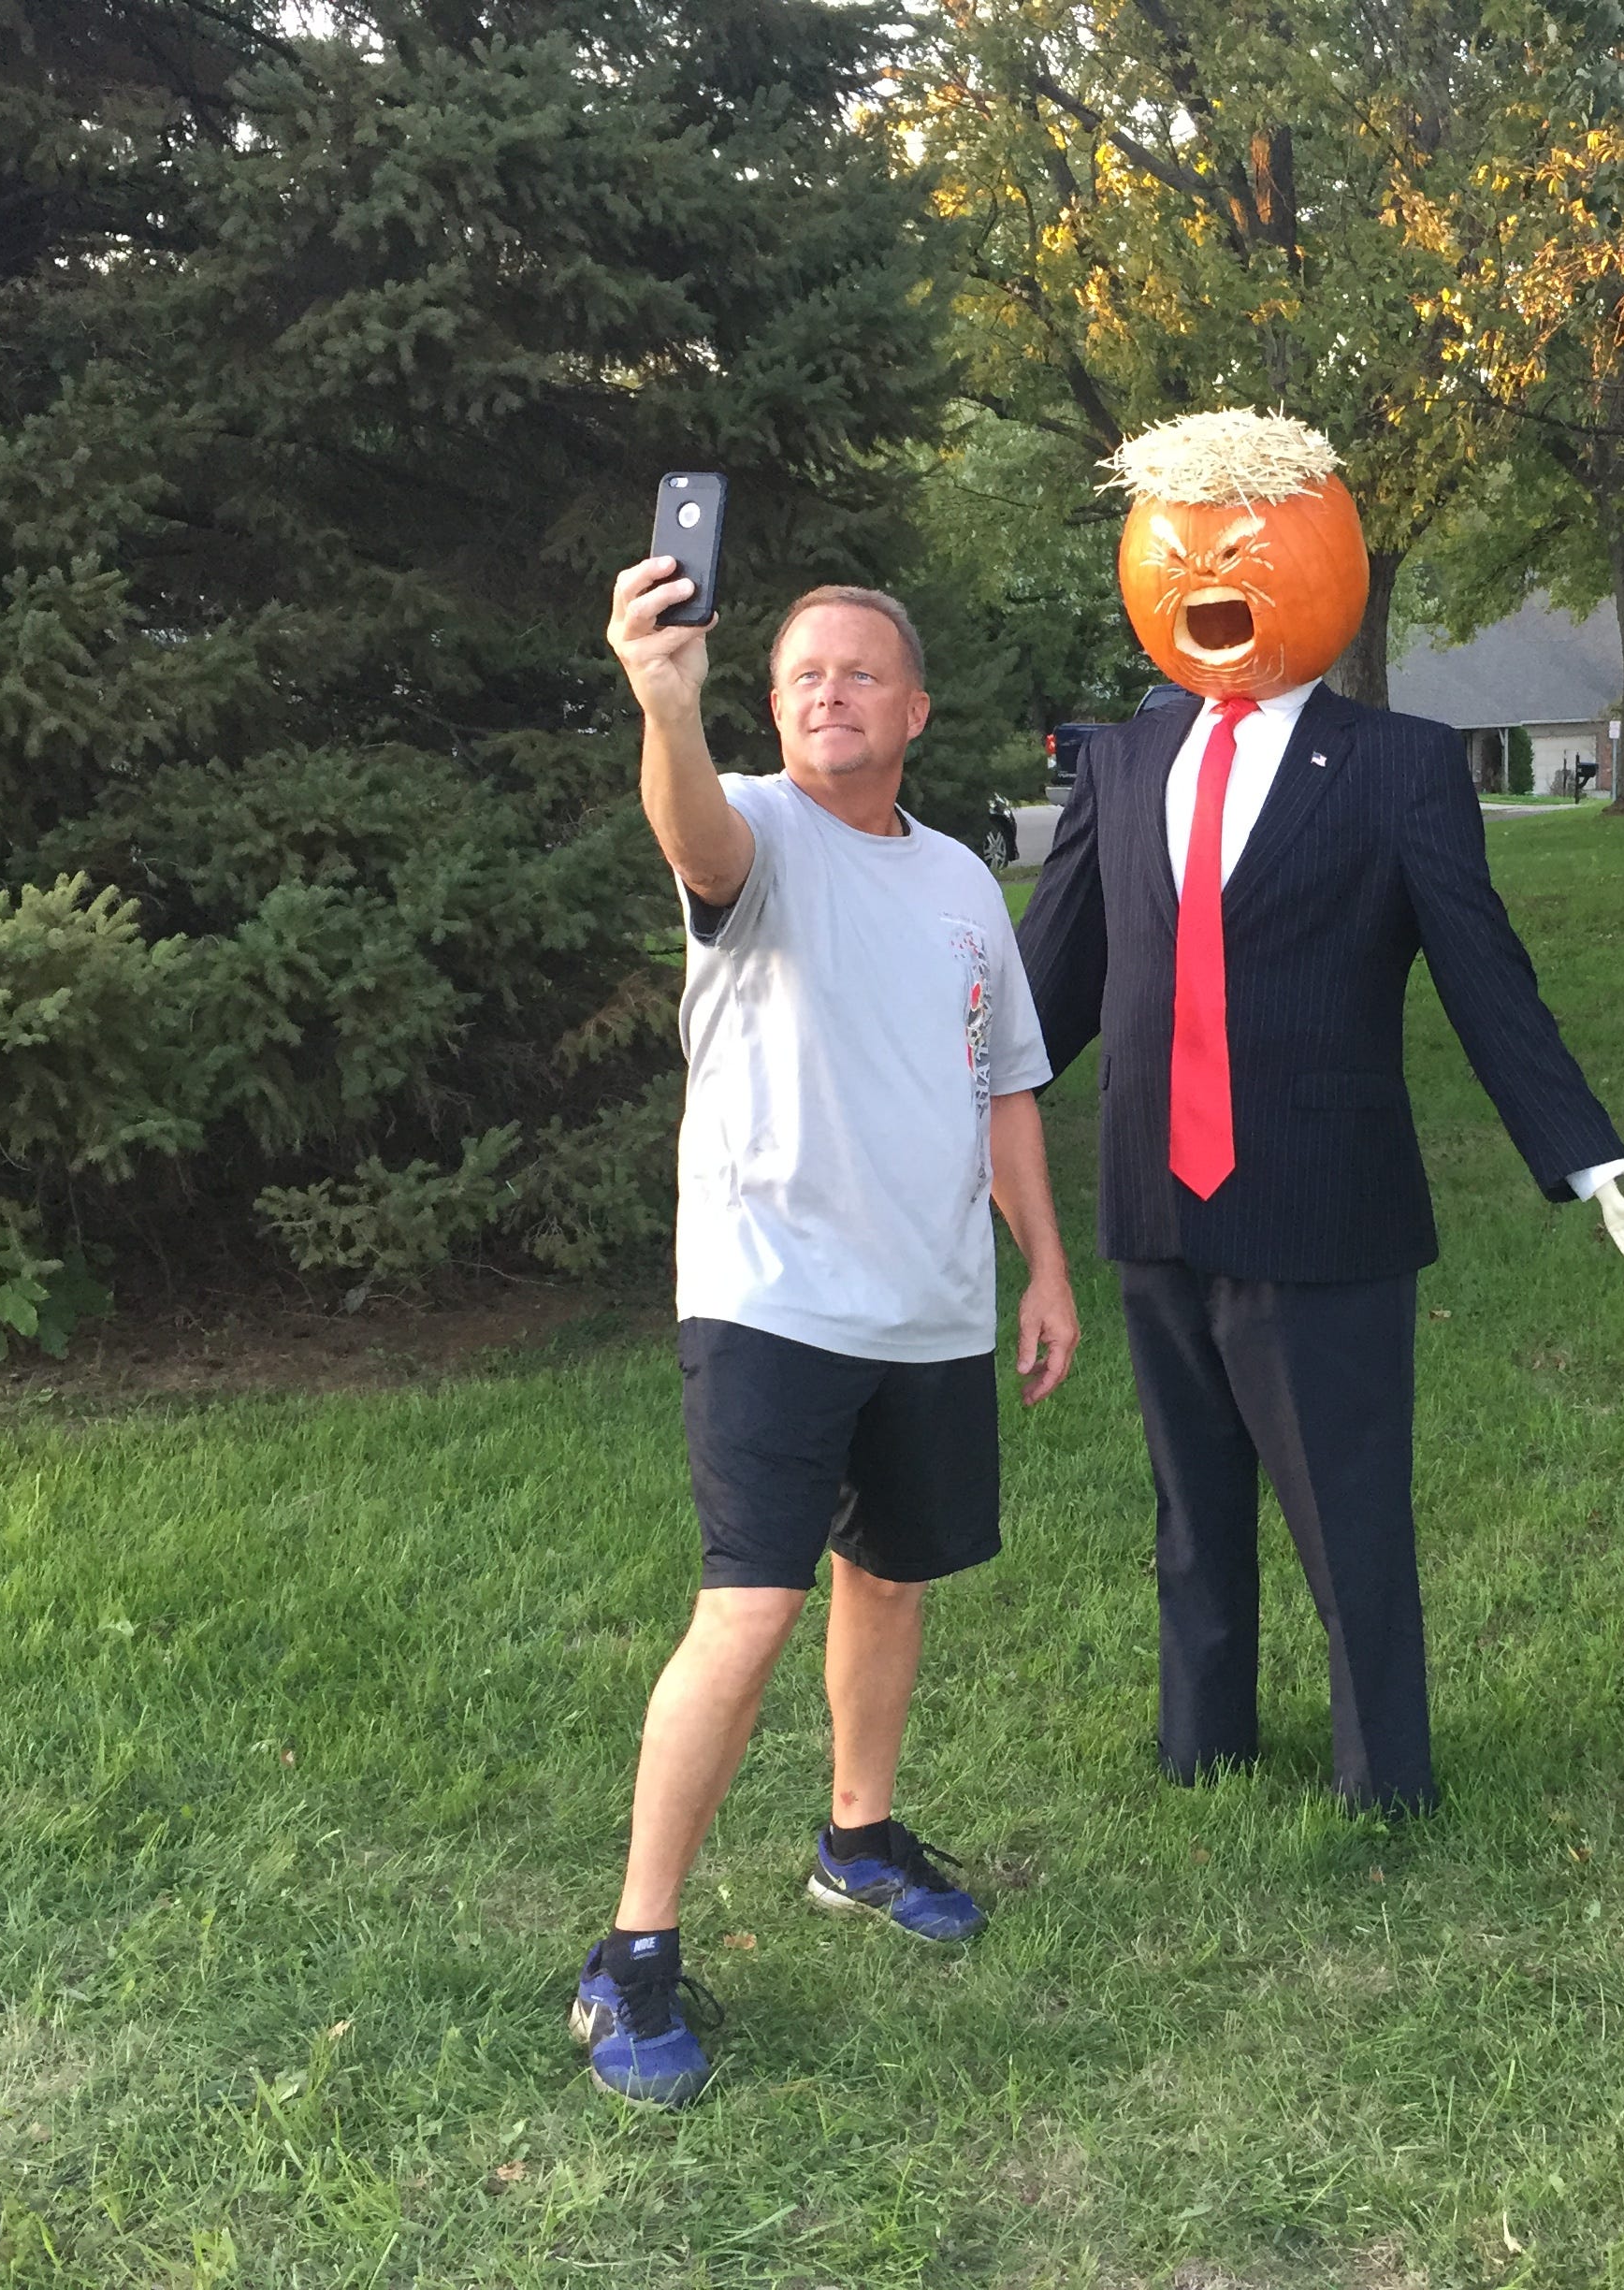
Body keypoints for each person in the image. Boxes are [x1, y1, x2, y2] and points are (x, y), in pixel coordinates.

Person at [1017, 410, 1624, 1819]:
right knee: (1190, 1510)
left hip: (1324, 1200)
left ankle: (1385, 1781)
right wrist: (933, 1104)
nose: (1207, 572)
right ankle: (1205, 1746)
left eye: (1240, 547)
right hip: (1153, 1196)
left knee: (1347, 1510)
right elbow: (1047, 989)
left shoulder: (1397, 765)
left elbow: (1487, 977)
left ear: (1320, 561)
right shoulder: (1122, 762)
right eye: (1177, 549)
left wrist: (1580, 1150)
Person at [573, 558, 1080, 2108]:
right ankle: (631, 1955)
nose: (827, 693)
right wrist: (666, 698)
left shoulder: (959, 889)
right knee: (753, 1606)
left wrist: (1044, 1270)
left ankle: (857, 1840)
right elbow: (693, 838)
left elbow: (1003, 1089)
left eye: (859, 674)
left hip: (929, 1305)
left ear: (914, 711)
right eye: (801, 675)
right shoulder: (752, 829)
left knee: (893, 1574)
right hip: (771, 1292)